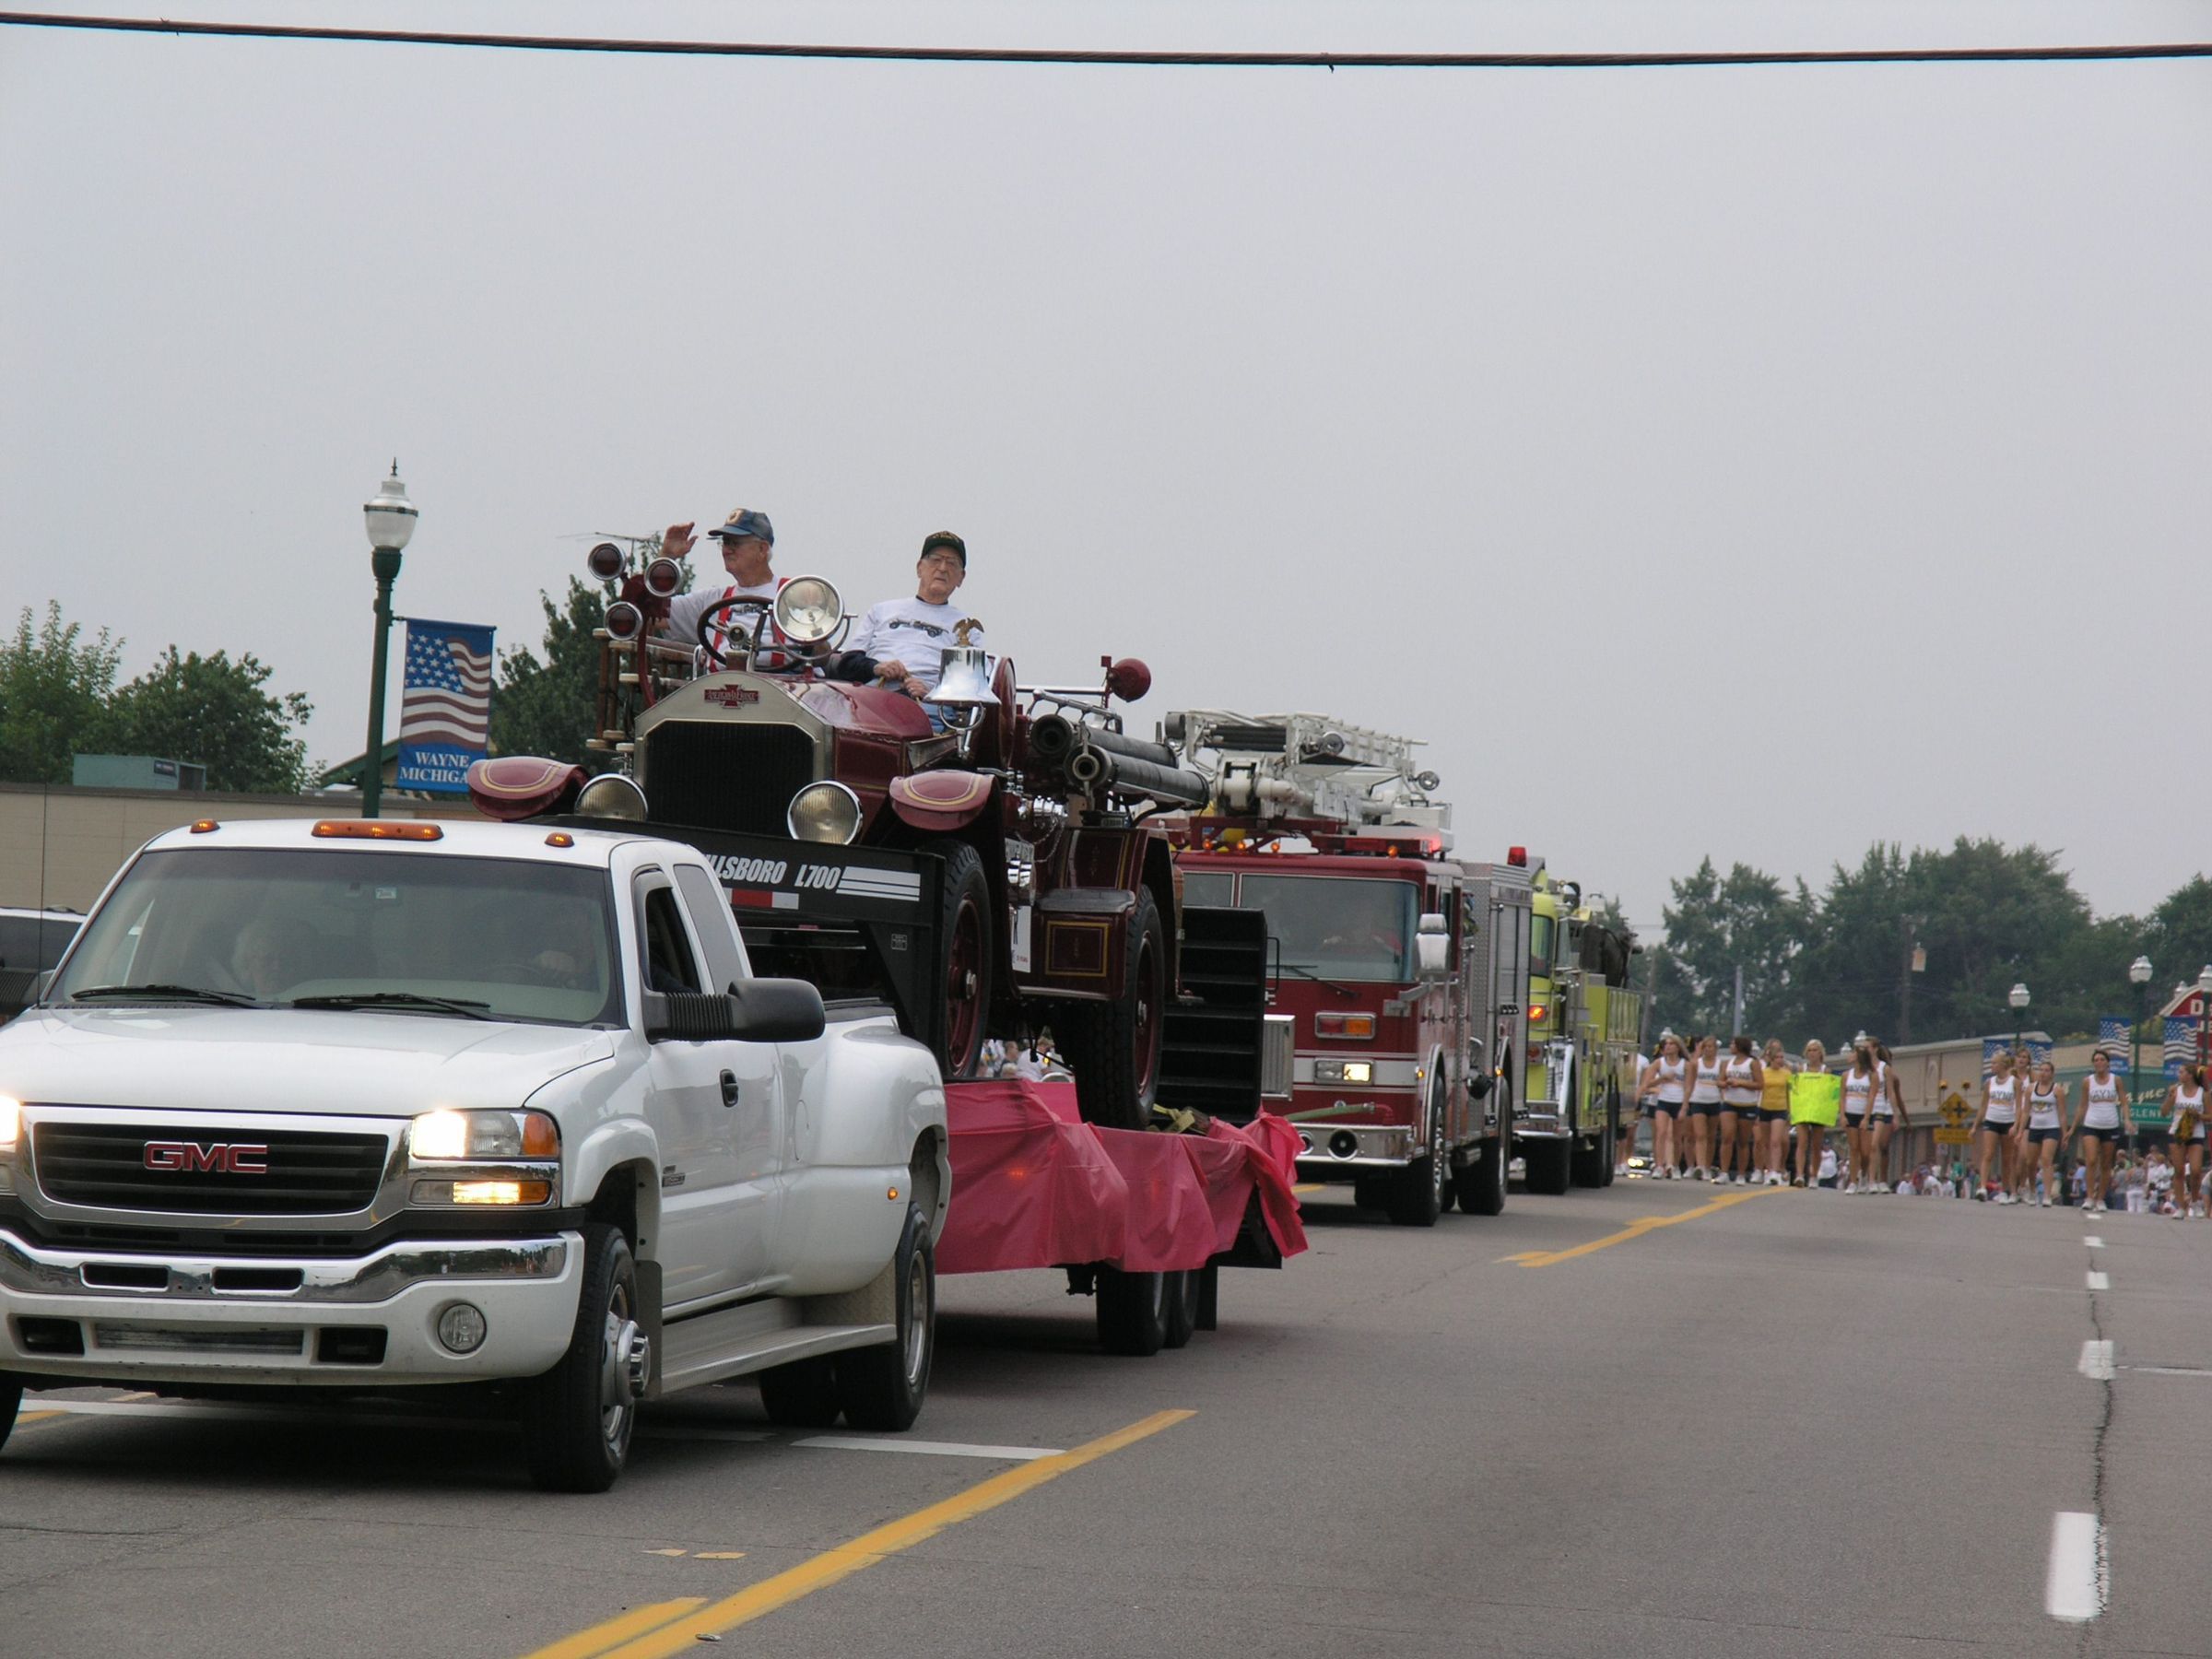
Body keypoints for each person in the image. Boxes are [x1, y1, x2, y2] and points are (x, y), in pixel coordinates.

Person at [839, 532, 985, 704]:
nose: (943, 568)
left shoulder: (967, 628)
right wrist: (877, 667)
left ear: (961, 577)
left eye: (952, 563)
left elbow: (973, 687)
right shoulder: (881, 611)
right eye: (935, 559)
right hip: (873, 698)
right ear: (919, 568)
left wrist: (932, 693)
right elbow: (846, 665)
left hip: (929, 706)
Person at [660, 508, 795, 669]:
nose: (726, 550)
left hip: (786, 682)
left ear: (762, 549)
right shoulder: (710, 600)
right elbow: (649, 614)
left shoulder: (796, 595)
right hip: (721, 684)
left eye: (735, 543)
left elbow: (818, 649)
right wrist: (666, 558)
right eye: (725, 542)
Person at [2069, 1051, 2127, 1218]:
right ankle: (2089, 1197)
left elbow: (2124, 1102)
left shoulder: (2116, 1080)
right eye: (2096, 1060)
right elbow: (2082, 1105)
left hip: (2110, 1125)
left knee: (2106, 1164)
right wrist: (2073, 1128)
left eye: (2102, 1059)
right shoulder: (2088, 1081)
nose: (2099, 1062)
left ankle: (2100, 1198)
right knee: (2091, 1160)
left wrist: (2127, 1120)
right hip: (2091, 1124)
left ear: (2107, 1063)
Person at [1971, 1050, 2022, 1204]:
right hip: (1991, 1120)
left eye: (1994, 1063)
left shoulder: (2014, 1082)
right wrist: (1975, 1126)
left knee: (2007, 1159)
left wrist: (2016, 1125)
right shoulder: (1989, 1083)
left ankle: (2005, 1190)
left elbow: (2019, 1107)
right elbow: (1983, 1106)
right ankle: (1982, 1187)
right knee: (1988, 1154)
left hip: (2008, 1122)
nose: (1991, 1066)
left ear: (2003, 1065)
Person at [1789, 1041, 1840, 1188]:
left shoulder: (1825, 1071)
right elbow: (1795, 1090)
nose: (1812, 1053)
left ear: (1820, 1053)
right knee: (1802, 1143)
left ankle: (1813, 1175)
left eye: (1815, 1050)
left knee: (1816, 1145)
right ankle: (1799, 1175)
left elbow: (1831, 1092)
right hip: (1803, 1109)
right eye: (1810, 1050)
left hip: (1818, 1110)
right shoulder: (1801, 1069)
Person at [1639, 1034, 1688, 1179]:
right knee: (1661, 1133)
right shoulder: (1659, 1063)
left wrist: (1684, 1107)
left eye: (1671, 1044)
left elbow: (1689, 1088)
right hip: (1663, 1100)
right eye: (1666, 1044)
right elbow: (1646, 1084)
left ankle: (1675, 1166)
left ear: (1678, 1047)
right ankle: (1659, 1165)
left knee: (1677, 1137)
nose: (1668, 1046)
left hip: (1679, 1101)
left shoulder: (1685, 1065)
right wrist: (1662, 1079)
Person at [2161, 1064, 2207, 1218]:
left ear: (2190, 1075)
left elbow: (2210, 1115)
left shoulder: (2202, 1093)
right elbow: (2164, 1112)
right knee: (2179, 1170)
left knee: (2195, 1170)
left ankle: (2194, 1201)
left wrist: (2198, 1116)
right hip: (2178, 1132)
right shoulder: (2177, 1091)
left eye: (2181, 1072)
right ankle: (2181, 1206)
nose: (2179, 1075)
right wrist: (2170, 1096)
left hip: (2196, 1133)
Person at [1717, 1036, 1761, 1185]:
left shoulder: (1752, 1063)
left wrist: (1741, 1083)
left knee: (1743, 1141)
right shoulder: (1727, 1063)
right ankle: (1724, 1172)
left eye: (1733, 1044)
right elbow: (1720, 1080)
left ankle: (1741, 1174)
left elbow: (1760, 1084)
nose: (1731, 1046)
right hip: (1729, 1103)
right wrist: (1724, 1083)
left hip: (1747, 1104)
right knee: (1727, 1137)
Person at [2022, 1060, 2065, 1209]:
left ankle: (2047, 1195)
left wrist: (2064, 1133)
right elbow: (2026, 1112)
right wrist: (2020, 1130)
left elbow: (2062, 1114)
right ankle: (2033, 1191)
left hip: (2051, 1127)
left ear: (2052, 1074)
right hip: (2035, 1127)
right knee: (2030, 1162)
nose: (2043, 1073)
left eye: (2047, 1070)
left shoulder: (2057, 1090)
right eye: (2041, 1070)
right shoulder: (2030, 1089)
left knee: (2047, 1159)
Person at [1867, 1041, 1910, 1194]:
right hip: (1870, 1110)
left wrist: (1904, 1119)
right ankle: (1869, 1176)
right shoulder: (1868, 1072)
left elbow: (1897, 1099)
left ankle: (1882, 1179)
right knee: (1871, 1146)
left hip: (1886, 1110)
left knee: (1883, 1146)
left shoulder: (1892, 1077)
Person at [1682, 1035, 1724, 1179]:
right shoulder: (1696, 1063)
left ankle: (1707, 1166)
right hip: (1698, 1100)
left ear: (1716, 1049)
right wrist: (1685, 1103)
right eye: (1705, 1047)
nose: (1708, 1049)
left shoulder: (1721, 1064)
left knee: (1711, 1136)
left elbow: (1722, 1083)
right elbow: (1689, 1084)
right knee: (1700, 1135)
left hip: (1714, 1101)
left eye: (1710, 1047)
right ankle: (1699, 1165)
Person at [1840, 1043, 1879, 1194]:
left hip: (1865, 1115)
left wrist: (1866, 1118)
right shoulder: (1846, 1075)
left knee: (1865, 1152)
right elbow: (1842, 1097)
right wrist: (1842, 1115)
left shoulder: (1872, 1075)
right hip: (1851, 1114)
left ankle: (1864, 1174)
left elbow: (1871, 1097)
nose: (1850, 1056)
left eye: (1853, 1053)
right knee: (1853, 1149)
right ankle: (1853, 1181)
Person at [1755, 1039, 1792, 1186]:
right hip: (1764, 1108)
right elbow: (1759, 1092)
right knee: (1765, 1142)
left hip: (1780, 1109)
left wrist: (1790, 1111)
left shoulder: (1787, 1074)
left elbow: (1790, 1093)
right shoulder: (1763, 1073)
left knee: (1776, 1141)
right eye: (1777, 1057)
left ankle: (1776, 1171)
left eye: (1782, 1057)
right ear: (1771, 1059)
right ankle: (1768, 1169)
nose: (1780, 1060)